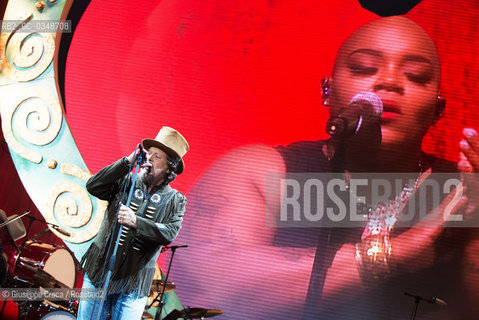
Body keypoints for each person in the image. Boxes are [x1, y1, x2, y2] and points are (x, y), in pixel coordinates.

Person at [171, 16, 478, 319]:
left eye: (415, 75)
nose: (390, 81)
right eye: (364, 68)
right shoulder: (261, 171)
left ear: (438, 110)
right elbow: (210, 289)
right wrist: (393, 254)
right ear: (326, 91)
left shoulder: (464, 189)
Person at [77, 126, 189, 320]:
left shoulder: (175, 200)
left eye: (157, 156)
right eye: (149, 154)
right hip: (100, 271)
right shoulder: (126, 179)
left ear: (170, 166)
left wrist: (136, 221)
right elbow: (93, 186)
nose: (149, 159)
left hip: (134, 284)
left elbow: (169, 232)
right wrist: (126, 162)